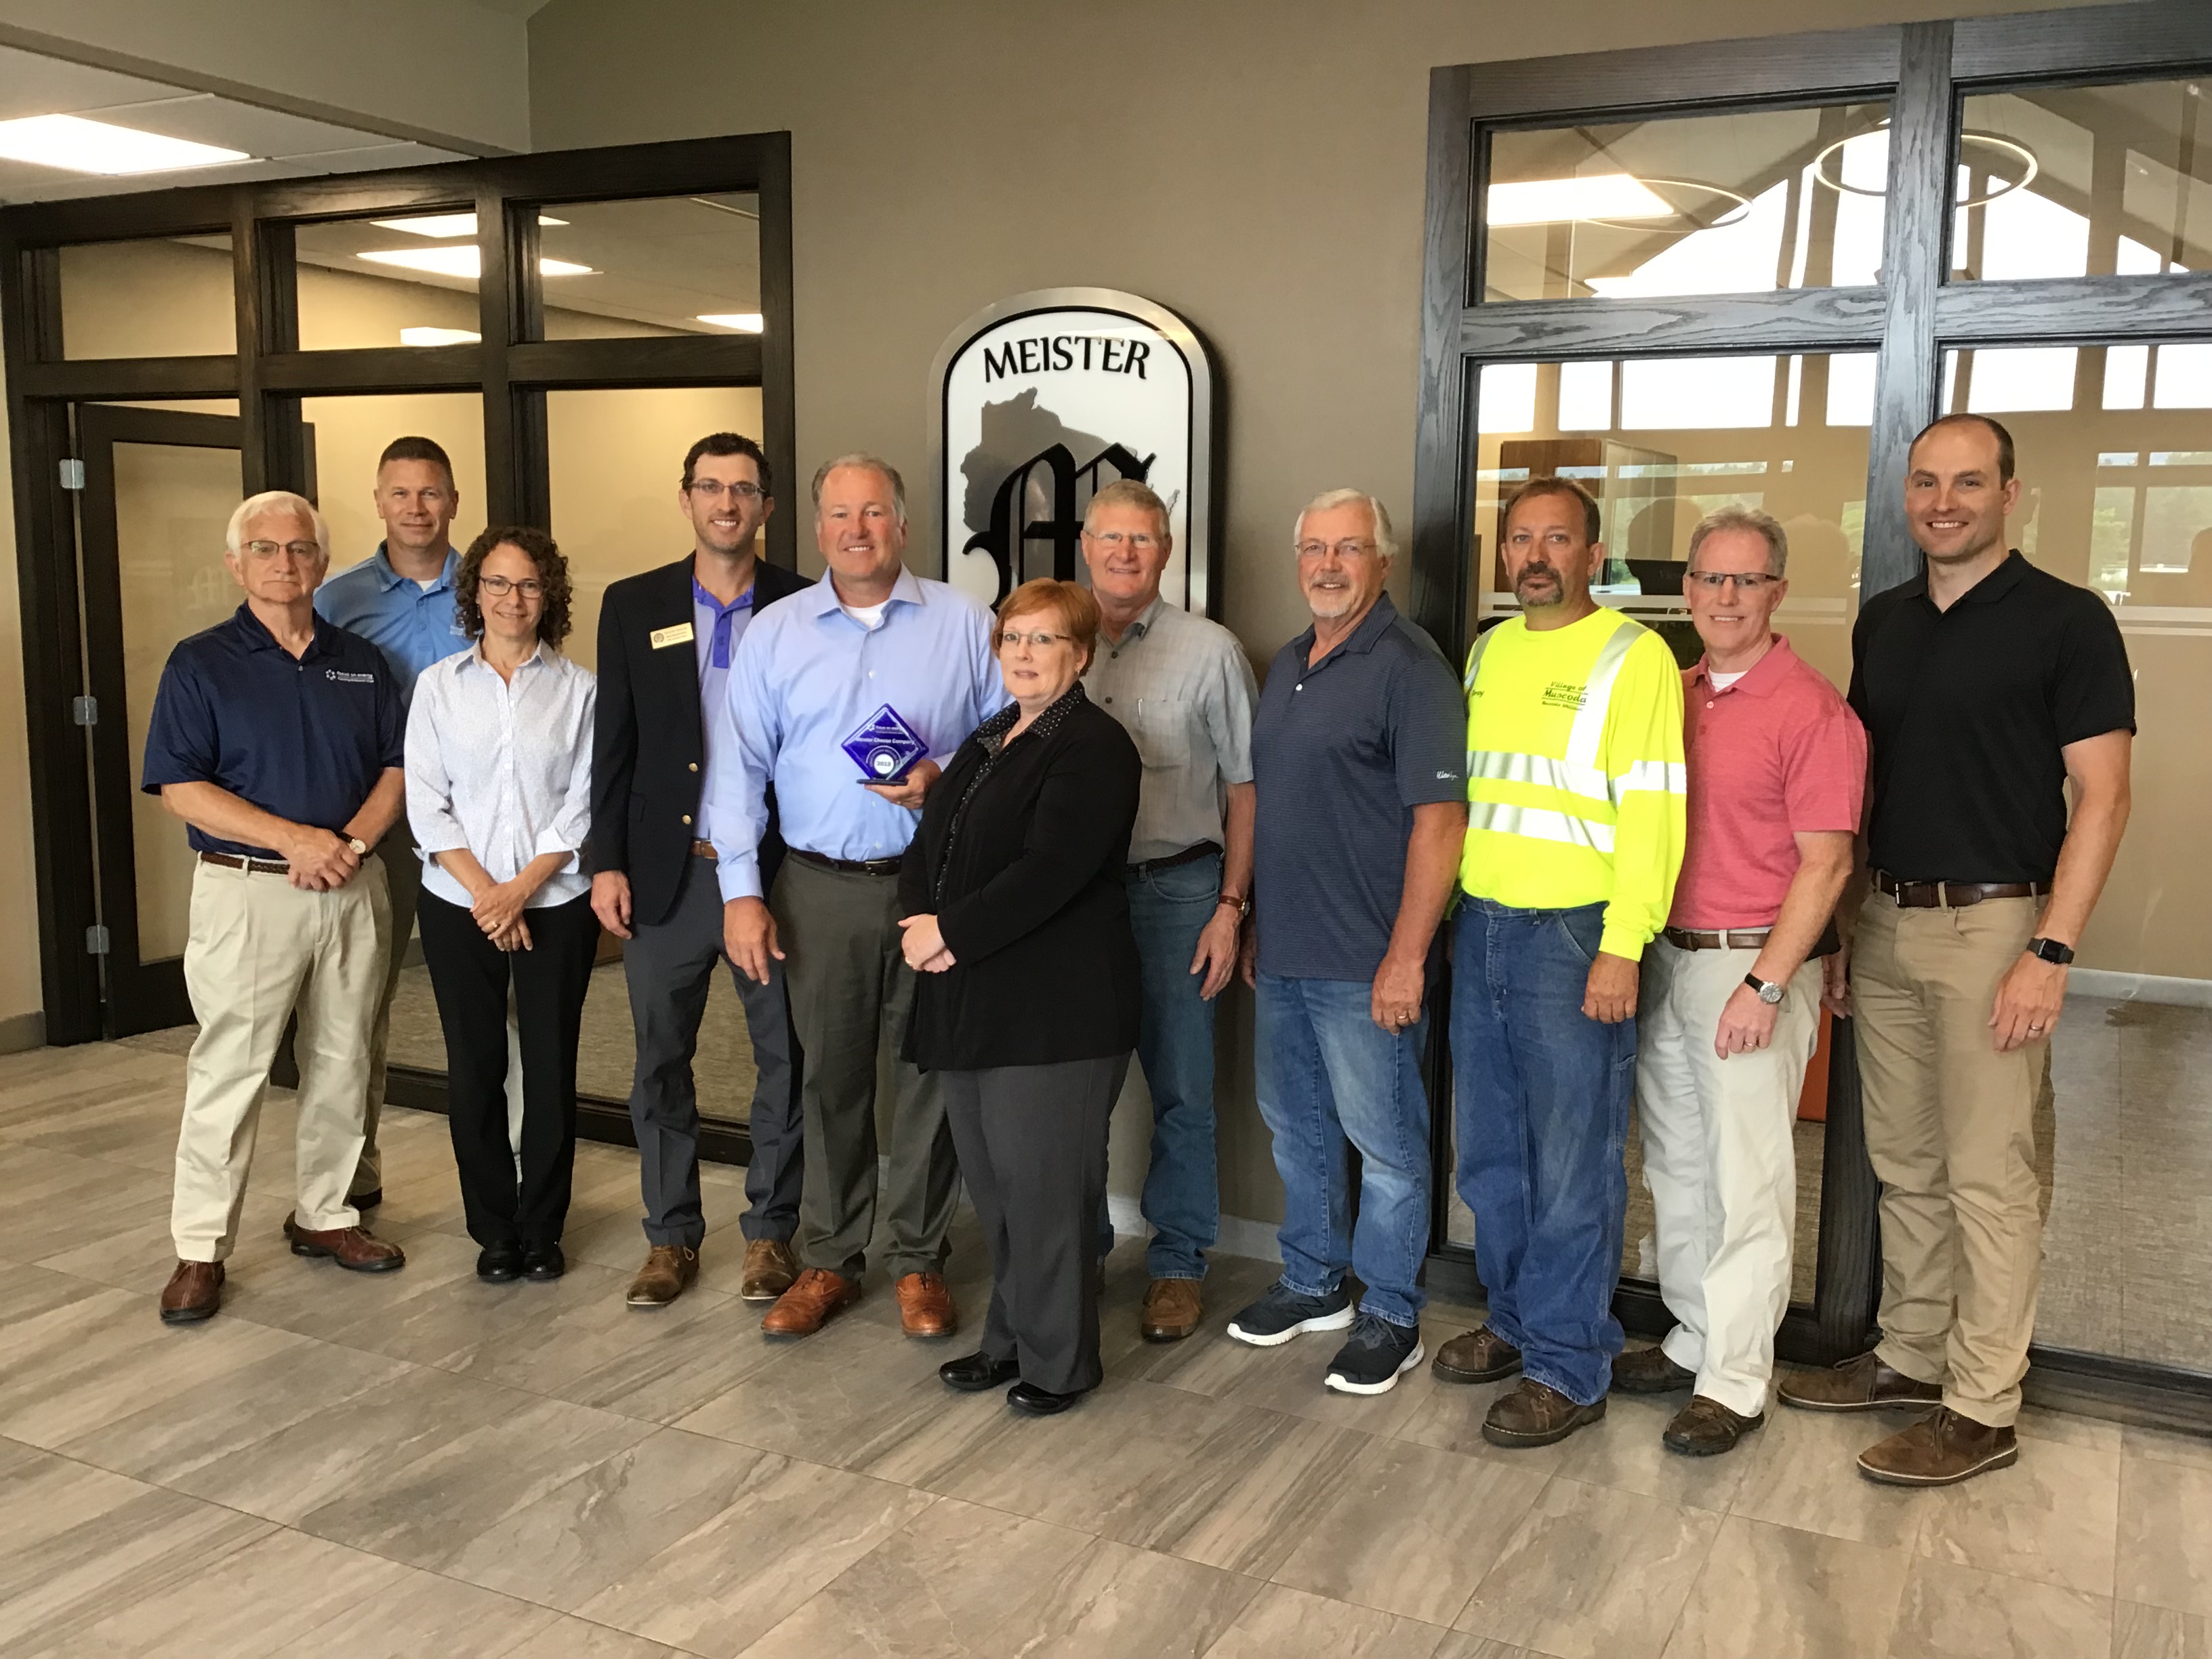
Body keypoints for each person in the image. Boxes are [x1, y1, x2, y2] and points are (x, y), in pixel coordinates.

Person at [1780, 415, 2133, 1487]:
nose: (1945, 501)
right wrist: (1843, 932)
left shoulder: (2067, 622)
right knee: (1906, 1167)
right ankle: (1909, 1354)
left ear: (2010, 495)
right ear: (1905, 497)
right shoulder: (1883, 622)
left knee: (1990, 1176)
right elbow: (1866, 788)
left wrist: (2052, 950)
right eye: (1926, 482)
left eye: (1969, 482)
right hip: (1884, 922)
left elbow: (2105, 799)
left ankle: (1982, 1406)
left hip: (1997, 926)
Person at [717, 453, 1004, 1340]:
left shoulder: (963, 621)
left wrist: (943, 777)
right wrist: (740, 892)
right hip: (817, 891)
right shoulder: (775, 632)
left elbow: (1012, 740)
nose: (856, 530)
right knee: (829, 1080)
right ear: (815, 529)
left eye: (873, 513)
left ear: (903, 525)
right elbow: (739, 766)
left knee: (929, 1079)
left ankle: (919, 1261)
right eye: (839, 515)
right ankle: (830, 1258)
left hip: (935, 889)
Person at [1439, 476, 1685, 1448]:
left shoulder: (1637, 658)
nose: (1536, 554)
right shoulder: (1489, 652)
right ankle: (1513, 1321)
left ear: (1593, 555)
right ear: (1504, 555)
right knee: (1495, 1154)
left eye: (1559, 539)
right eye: (1521, 538)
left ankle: (1569, 1364)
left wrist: (1625, 945)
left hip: (1578, 937)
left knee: (1574, 1162)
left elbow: (1656, 815)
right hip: (1485, 925)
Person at [1613, 507, 1863, 1456]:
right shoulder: (1671, 695)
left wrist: (1765, 986)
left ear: (1777, 593)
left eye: (1745, 581)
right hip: (1667, 955)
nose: (1725, 597)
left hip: (1749, 964)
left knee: (1747, 1178)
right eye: (1710, 579)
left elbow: (1828, 863)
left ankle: (1738, 1378)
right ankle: (1693, 1335)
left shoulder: (1812, 709)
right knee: (1676, 1167)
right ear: (1688, 590)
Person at [143, 491, 409, 1324]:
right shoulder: (200, 662)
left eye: (300, 551)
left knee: (345, 1057)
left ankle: (327, 1214)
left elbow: (397, 772)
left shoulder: (361, 662)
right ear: (236, 564)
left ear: (323, 565)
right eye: (264, 550)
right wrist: (297, 840)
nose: (284, 565)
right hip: (248, 892)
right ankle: (199, 1247)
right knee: (232, 1067)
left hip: (353, 886)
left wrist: (351, 848)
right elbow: (181, 790)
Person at [1229, 489, 1466, 1395]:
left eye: (1350, 549)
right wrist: (1250, 916)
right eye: (1316, 549)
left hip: (1369, 961)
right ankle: (1313, 1281)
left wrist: (1408, 956)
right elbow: (1272, 803)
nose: (1329, 565)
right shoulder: (1291, 661)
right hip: (1286, 950)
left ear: (1384, 562)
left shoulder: (1410, 668)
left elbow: (1441, 824)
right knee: (1299, 1133)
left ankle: (1391, 1313)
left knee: (1390, 1146)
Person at [901, 579, 1142, 1414]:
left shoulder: (1096, 746)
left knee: (1046, 1196)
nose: (1026, 655)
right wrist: (914, 917)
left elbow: (1049, 874)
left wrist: (948, 932)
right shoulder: (992, 734)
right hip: (974, 999)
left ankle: (1060, 1362)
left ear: (1080, 655)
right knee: (998, 1192)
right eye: (1014, 639)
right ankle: (1009, 1342)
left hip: (1057, 1011)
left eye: (1046, 641)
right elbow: (933, 839)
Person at [591, 432, 812, 1309]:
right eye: (711, 488)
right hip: (667, 875)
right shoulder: (633, 603)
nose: (728, 503)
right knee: (659, 1061)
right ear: (686, 499)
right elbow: (615, 744)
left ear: (767, 506)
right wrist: (605, 861)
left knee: (783, 1061)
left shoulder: (804, 601)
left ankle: (769, 1236)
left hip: (774, 872)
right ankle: (670, 1237)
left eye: (745, 489)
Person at [1078, 478, 1256, 1343]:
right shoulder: (1050, 639)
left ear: (1166, 550)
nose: (1124, 553)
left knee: (1184, 1091)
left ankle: (1179, 1263)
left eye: (1142, 539)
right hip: (1074, 901)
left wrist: (1233, 905)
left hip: (1181, 892)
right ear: (1085, 544)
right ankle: (1077, 1249)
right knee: (1074, 1085)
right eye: (1110, 538)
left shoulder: (1210, 651)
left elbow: (1249, 787)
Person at [408, 527, 599, 1284]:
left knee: (551, 1066)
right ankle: (493, 1229)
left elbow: (585, 803)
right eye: (496, 583)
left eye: (527, 585)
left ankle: (543, 1228)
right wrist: (488, 893)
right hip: (459, 903)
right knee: (474, 1067)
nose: (511, 598)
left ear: (547, 594)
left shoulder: (580, 689)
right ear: (474, 591)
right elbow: (427, 804)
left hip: (555, 900)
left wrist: (521, 889)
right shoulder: (437, 687)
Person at [313, 436, 472, 1212]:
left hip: (482, 830)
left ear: (454, 499)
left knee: (492, 1002)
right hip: (378, 827)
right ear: (378, 501)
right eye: (401, 493)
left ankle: (508, 1168)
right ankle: (352, 1180)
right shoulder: (335, 601)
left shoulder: (493, 586)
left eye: (431, 492)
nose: (416, 508)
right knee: (361, 1005)